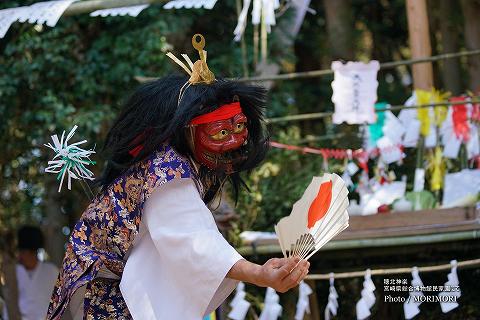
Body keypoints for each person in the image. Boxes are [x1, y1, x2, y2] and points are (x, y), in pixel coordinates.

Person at [47, 35, 310, 320]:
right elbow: (193, 242)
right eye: (222, 132)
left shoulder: (166, 166)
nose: (233, 141)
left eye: (239, 128)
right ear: (189, 129)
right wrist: (257, 273)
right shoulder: (165, 172)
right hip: (107, 296)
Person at [3, 226, 59, 320]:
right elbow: (9, 305)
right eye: (20, 252)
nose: (21, 256)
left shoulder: (51, 271)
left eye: (24, 252)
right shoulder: (14, 273)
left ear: (34, 252)